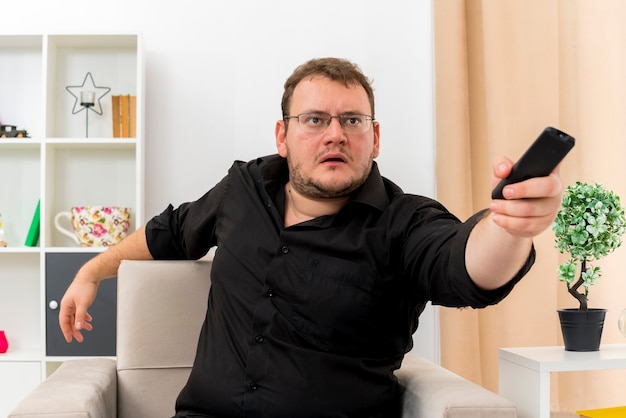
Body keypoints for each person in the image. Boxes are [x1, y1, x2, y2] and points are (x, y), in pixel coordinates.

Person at [59, 57, 563, 418]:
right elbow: (167, 232)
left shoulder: (403, 221)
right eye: (315, 119)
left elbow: (463, 264)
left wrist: (508, 225)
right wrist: (91, 271)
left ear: (375, 136)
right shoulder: (243, 189)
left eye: (352, 120)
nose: (335, 134)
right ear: (282, 136)